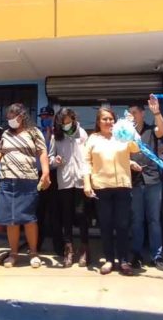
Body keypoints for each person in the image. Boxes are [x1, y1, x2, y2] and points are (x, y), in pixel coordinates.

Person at [0, 103, 51, 269]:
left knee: (28, 218)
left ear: (21, 116)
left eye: (13, 117)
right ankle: (13, 253)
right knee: (11, 219)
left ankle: (34, 253)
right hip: (7, 179)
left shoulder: (34, 132)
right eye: (8, 118)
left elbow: (42, 152)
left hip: (27, 179)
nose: (10, 121)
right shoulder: (6, 133)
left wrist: (45, 172)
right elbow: (1, 154)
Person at [83, 108, 141, 276]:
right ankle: (109, 259)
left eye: (111, 119)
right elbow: (87, 162)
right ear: (98, 122)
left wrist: (130, 128)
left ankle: (123, 260)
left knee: (122, 225)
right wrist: (87, 184)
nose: (108, 122)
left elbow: (136, 148)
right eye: (104, 119)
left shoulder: (122, 136)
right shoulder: (93, 138)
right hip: (101, 187)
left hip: (122, 185)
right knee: (106, 225)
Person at [128, 95, 163, 271]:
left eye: (135, 112)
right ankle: (136, 254)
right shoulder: (124, 133)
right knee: (136, 220)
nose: (132, 116)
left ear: (142, 113)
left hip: (152, 180)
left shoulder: (151, 130)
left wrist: (157, 112)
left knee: (154, 220)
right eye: (129, 114)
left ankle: (156, 255)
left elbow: (162, 131)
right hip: (133, 181)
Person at [48, 107, 91, 267]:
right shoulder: (56, 136)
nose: (65, 124)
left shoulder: (82, 134)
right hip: (64, 181)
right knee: (66, 216)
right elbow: (50, 157)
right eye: (62, 122)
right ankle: (69, 250)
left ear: (73, 119)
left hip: (81, 180)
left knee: (81, 214)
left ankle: (85, 249)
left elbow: (89, 156)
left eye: (68, 121)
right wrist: (55, 160)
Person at [36, 105, 62, 256]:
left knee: (55, 212)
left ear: (53, 117)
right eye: (42, 117)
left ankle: (58, 247)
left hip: (55, 174)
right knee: (39, 211)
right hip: (40, 174)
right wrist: (45, 136)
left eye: (47, 117)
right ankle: (36, 245)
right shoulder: (37, 133)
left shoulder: (58, 133)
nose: (44, 119)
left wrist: (51, 134)